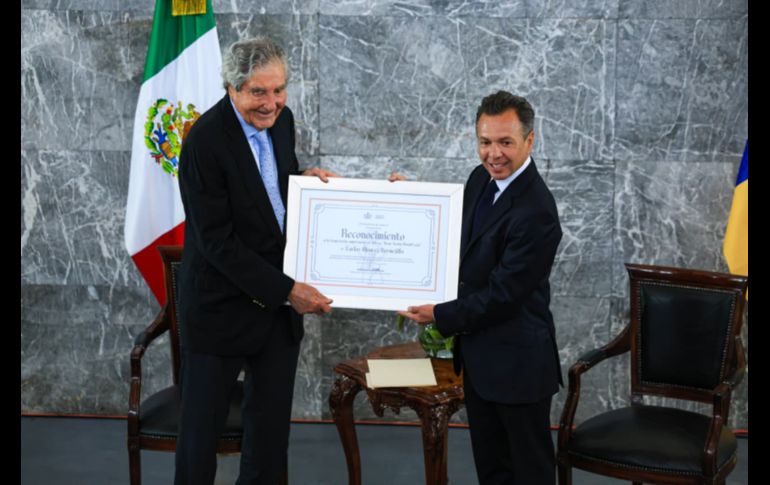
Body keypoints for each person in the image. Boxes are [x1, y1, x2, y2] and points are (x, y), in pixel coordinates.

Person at [174, 37, 336, 485]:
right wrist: (288, 290)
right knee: (199, 443)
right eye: (258, 92)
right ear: (232, 87)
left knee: (269, 440)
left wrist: (304, 181)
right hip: (221, 309)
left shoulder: (283, 122)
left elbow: (267, 193)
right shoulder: (203, 142)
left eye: (279, 89)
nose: (271, 103)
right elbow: (217, 242)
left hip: (275, 317)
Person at [398, 91, 563, 485]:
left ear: (529, 140)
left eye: (505, 142)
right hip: (480, 363)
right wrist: (409, 200)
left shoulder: (537, 211)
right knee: (492, 472)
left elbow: (502, 297)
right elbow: (455, 233)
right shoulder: (480, 179)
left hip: (519, 367)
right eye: (485, 141)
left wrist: (439, 314)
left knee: (530, 474)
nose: (494, 154)